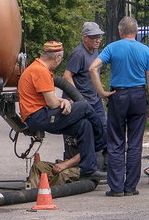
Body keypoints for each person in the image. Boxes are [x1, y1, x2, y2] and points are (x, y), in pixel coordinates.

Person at [89, 17, 149, 197]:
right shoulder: (145, 50)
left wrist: (101, 92)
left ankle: (116, 187)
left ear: (120, 31)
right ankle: (131, 186)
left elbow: (92, 68)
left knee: (116, 141)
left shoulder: (112, 48)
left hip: (118, 96)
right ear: (136, 31)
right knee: (135, 143)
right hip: (138, 96)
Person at [18, 40, 103, 180]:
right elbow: (52, 103)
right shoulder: (41, 71)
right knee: (84, 107)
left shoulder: (37, 68)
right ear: (57, 57)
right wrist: (62, 102)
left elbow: (50, 98)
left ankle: (88, 168)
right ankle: (102, 141)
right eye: (61, 59)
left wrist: (63, 101)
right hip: (38, 116)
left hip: (39, 114)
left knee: (84, 125)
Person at [64, 21, 107, 134]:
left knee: (103, 126)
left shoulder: (95, 50)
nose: (98, 40)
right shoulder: (78, 54)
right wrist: (77, 96)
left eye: (99, 37)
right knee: (88, 129)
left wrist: (100, 92)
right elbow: (67, 76)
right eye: (94, 37)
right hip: (83, 100)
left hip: (95, 98)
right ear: (85, 38)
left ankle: (104, 151)